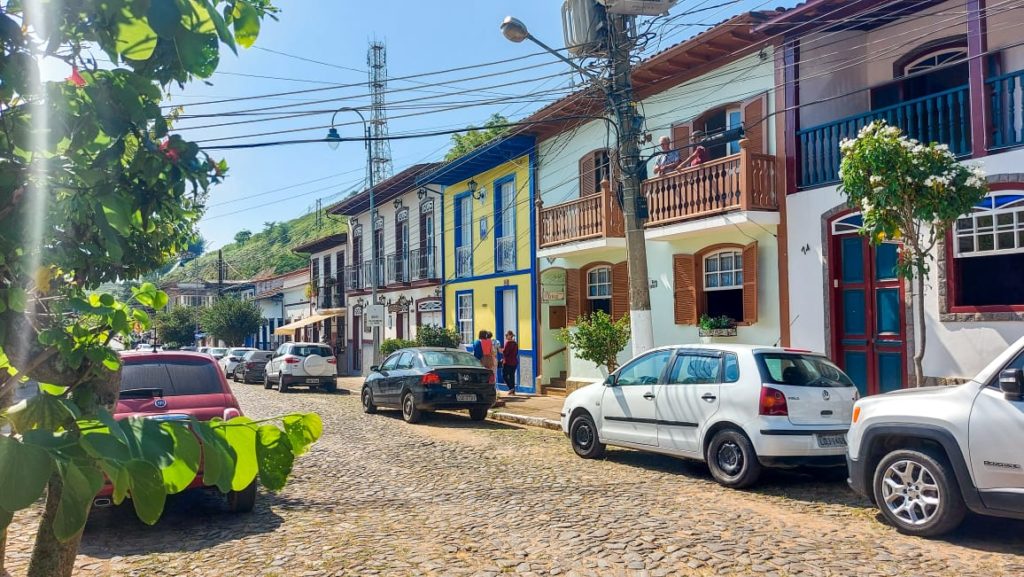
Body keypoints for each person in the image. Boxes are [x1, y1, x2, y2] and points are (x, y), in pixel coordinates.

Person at [501, 331, 519, 395]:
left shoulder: (508, 343)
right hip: (514, 362)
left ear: (510, 336)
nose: (506, 336)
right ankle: (513, 390)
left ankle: (511, 388)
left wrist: (501, 350)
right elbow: (516, 352)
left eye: (507, 335)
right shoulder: (515, 343)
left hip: (508, 362)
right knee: (512, 376)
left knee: (504, 375)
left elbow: (505, 352)